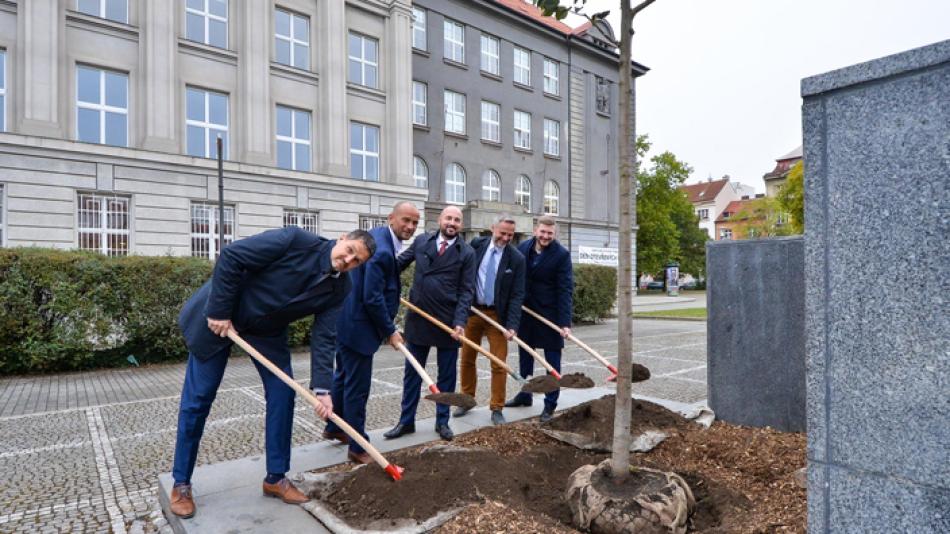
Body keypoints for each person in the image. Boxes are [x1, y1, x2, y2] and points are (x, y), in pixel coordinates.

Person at [169, 226, 375, 519]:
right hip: (222, 316)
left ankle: (275, 478)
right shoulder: (295, 241)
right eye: (350, 251)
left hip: (266, 333)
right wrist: (220, 310)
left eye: (357, 262)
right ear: (343, 238)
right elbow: (232, 256)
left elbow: (324, 336)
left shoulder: (341, 287)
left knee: (282, 393)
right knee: (198, 399)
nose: (348, 261)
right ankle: (181, 483)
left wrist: (323, 390)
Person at [322, 201, 421, 464]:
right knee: (358, 388)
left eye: (414, 223)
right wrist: (390, 330)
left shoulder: (377, 238)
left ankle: (334, 427)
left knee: (342, 376)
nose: (410, 227)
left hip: (346, 322)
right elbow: (372, 297)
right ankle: (357, 446)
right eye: (406, 221)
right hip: (360, 328)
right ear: (392, 218)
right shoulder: (383, 251)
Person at [384, 206, 475, 441]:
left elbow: (466, 291)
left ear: (461, 225)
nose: (452, 223)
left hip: (447, 322)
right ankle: (406, 422)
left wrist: (460, 322)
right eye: (448, 218)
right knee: (413, 374)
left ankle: (442, 422)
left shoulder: (466, 252)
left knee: (446, 378)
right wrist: (374, 264)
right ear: (439, 220)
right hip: (419, 319)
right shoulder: (422, 241)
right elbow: (397, 264)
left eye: (456, 220)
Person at [454, 214, 525, 425]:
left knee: (498, 363)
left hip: (497, 316)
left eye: (510, 235)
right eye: (502, 233)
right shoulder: (476, 245)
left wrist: (512, 325)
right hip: (473, 311)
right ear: (492, 228)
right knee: (467, 359)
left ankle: (496, 407)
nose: (505, 238)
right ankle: (466, 400)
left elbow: (517, 295)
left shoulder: (516, 258)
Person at [505, 216, 574, 423]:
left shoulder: (561, 255)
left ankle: (550, 404)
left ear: (554, 234)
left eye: (549, 234)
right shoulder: (523, 247)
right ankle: (525, 394)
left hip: (550, 316)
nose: (545, 236)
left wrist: (564, 323)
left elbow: (565, 289)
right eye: (542, 232)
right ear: (536, 230)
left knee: (551, 363)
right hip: (527, 313)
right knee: (525, 357)